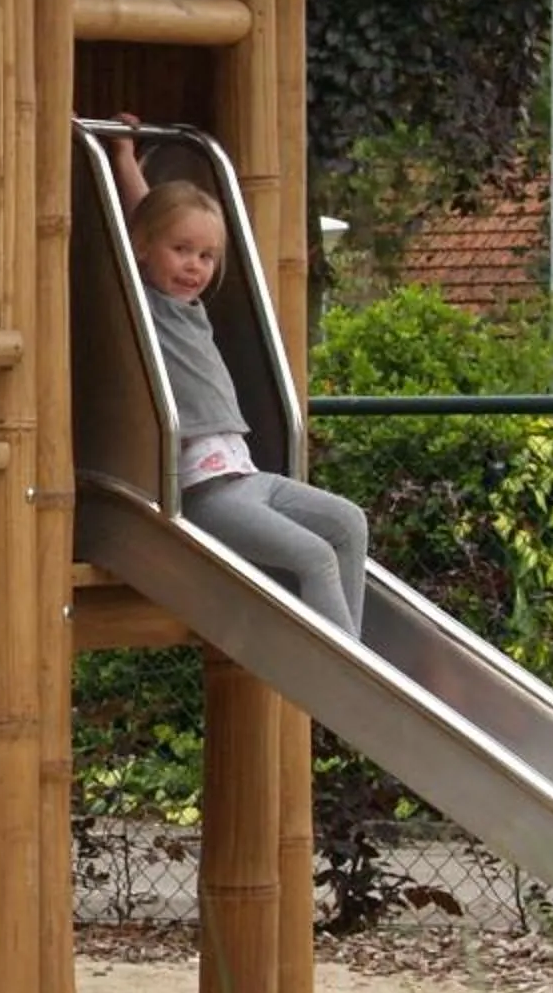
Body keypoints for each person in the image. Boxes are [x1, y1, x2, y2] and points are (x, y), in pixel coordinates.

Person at [106, 118, 369, 636]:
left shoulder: (192, 307)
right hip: (206, 493)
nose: (194, 266)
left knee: (348, 522)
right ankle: (350, 671)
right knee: (314, 557)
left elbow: (157, 227)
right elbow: (145, 222)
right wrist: (122, 160)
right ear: (144, 249)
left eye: (206, 256)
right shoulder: (147, 304)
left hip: (247, 476)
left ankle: (351, 656)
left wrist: (129, 161)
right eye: (181, 251)